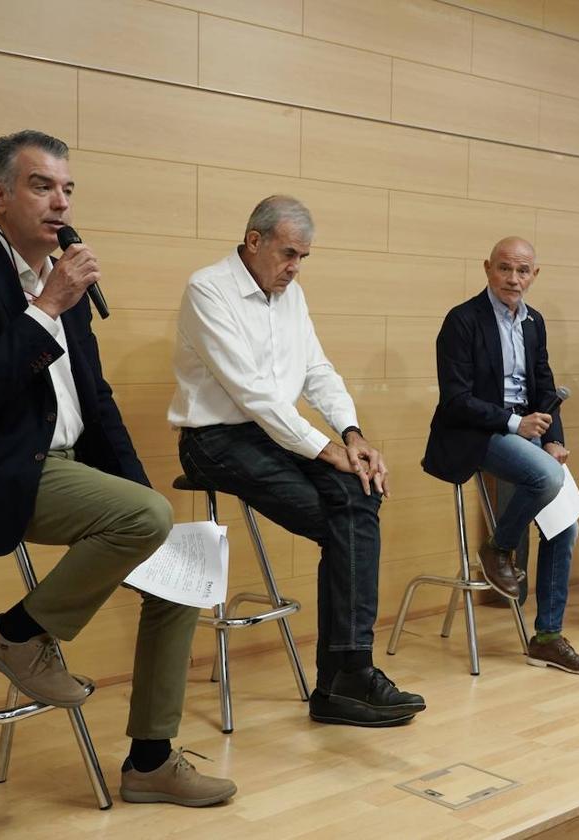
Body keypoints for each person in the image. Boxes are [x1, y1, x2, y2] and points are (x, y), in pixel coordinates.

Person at [0, 130, 235, 807]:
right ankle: (18, 634)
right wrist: (46, 306)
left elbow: (97, 400)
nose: (60, 202)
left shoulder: (61, 276)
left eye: (68, 189)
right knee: (146, 518)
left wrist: (142, 497)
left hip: (67, 469)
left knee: (180, 566)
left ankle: (150, 760)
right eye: (41, 186)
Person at [169, 195, 425, 727]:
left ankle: (346, 677)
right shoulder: (207, 290)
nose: (295, 267)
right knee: (347, 518)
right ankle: (343, 680)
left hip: (272, 435)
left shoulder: (292, 295)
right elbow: (253, 394)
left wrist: (352, 435)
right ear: (254, 239)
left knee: (359, 494)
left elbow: (318, 371)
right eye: (288, 253)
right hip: (214, 440)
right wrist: (326, 449)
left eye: (303, 257)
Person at [423, 237, 579, 675]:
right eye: (505, 269)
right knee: (547, 479)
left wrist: (553, 438)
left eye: (523, 271)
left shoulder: (534, 322)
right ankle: (499, 548)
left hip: (527, 432)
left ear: (534, 275)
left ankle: (547, 638)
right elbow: (455, 400)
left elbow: (545, 385)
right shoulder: (462, 321)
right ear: (487, 269)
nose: (513, 279)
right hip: (477, 433)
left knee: (566, 526)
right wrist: (513, 424)